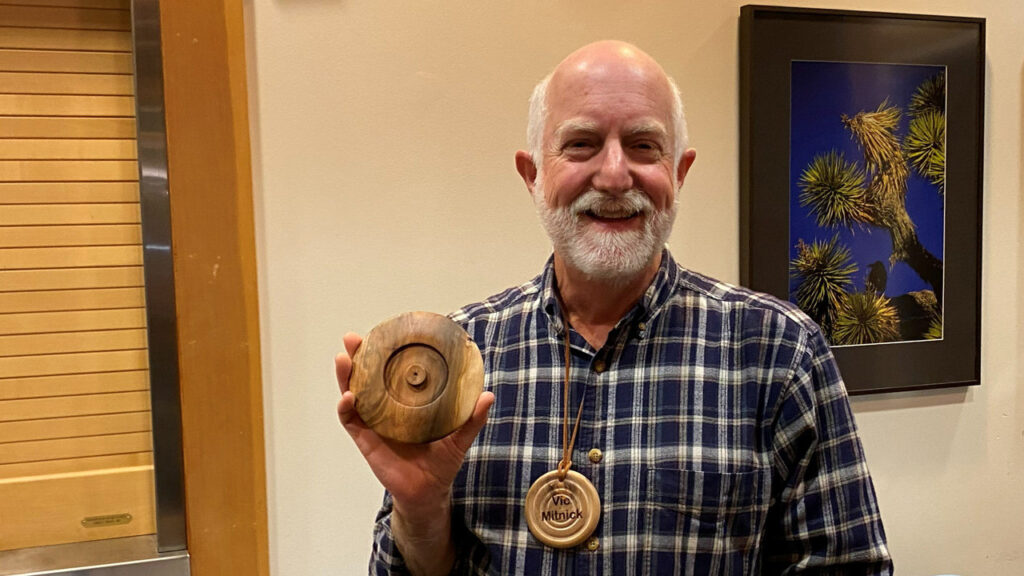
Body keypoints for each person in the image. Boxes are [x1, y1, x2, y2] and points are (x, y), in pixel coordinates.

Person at [336, 40, 892, 575]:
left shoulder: (779, 351)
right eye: (581, 144)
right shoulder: (458, 358)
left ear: (679, 172)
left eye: (645, 145)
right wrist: (420, 512)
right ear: (532, 175)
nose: (614, 174)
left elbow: (848, 568)